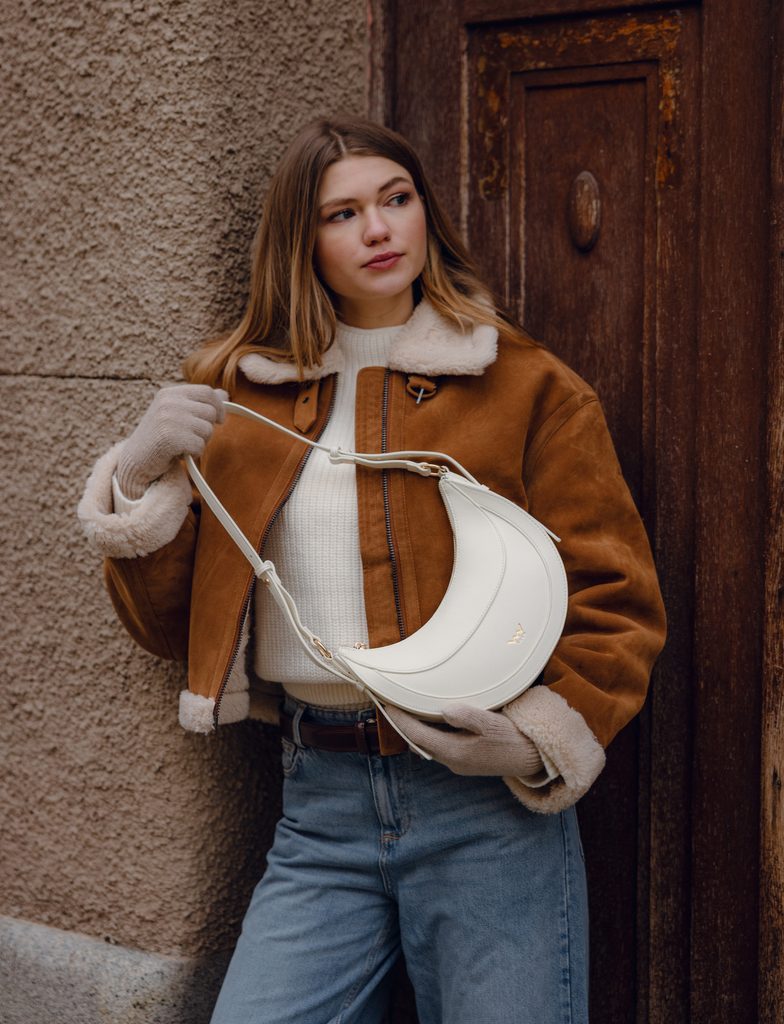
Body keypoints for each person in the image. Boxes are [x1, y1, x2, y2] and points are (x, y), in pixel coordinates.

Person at [78, 115, 666, 1024]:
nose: (380, 230)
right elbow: (173, 626)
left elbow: (617, 602)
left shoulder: (525, 386)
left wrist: (531, 743)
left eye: (397, 199)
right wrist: (139, 475)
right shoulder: (237, 391)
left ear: (427, 211)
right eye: (343, 213)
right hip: (319, 805)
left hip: (483, 807)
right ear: (302, 240)